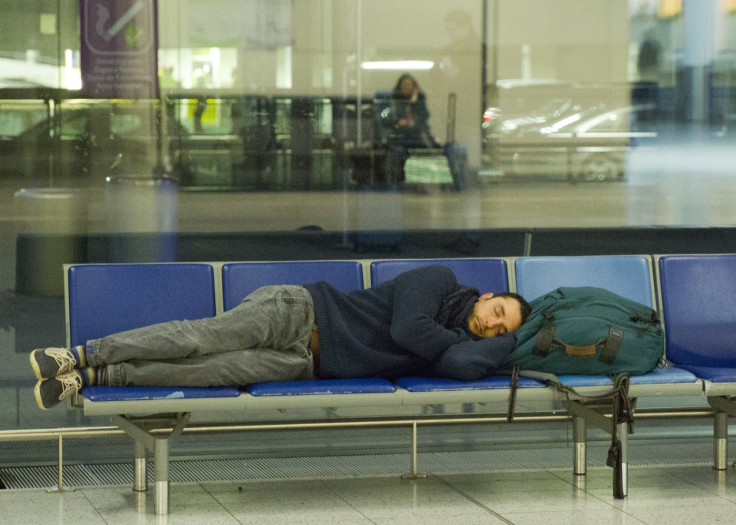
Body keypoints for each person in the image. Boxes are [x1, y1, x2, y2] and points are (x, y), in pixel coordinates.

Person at [30, 265, 531, 410]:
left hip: (305, 365)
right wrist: (466, 346)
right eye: (499, 311)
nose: (492, 324)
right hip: (300, 313)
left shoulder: (458, 345)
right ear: (488, 295)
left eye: (502, 330)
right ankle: (77, 354)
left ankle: (96, 377)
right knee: (198, 339)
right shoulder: (439, 282)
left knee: (208, 373)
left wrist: (503, 346)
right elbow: (407, 329)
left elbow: (462, 365)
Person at [379, 73, 441, 185]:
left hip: (417, 138)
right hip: (400, 137)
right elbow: (386, 119)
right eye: (405, 86)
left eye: (410, 86)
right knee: (398, 153)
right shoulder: (393, 102)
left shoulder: (418, 101)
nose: (408, 89)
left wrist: (415, 101)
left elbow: (424, 117)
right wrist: (398, 122)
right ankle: (397, 181)